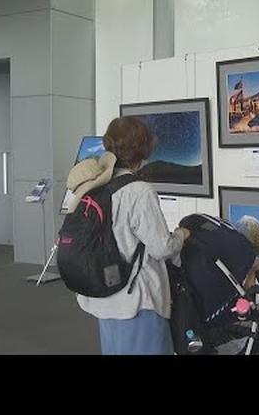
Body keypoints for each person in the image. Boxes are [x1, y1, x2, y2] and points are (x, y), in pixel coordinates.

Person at [71, 116, 191, 355]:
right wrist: (181, 235)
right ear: (143, 149)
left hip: (103, 294)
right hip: (135, 299)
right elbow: (161, 248)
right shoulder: (139, 191)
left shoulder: (95, 186)